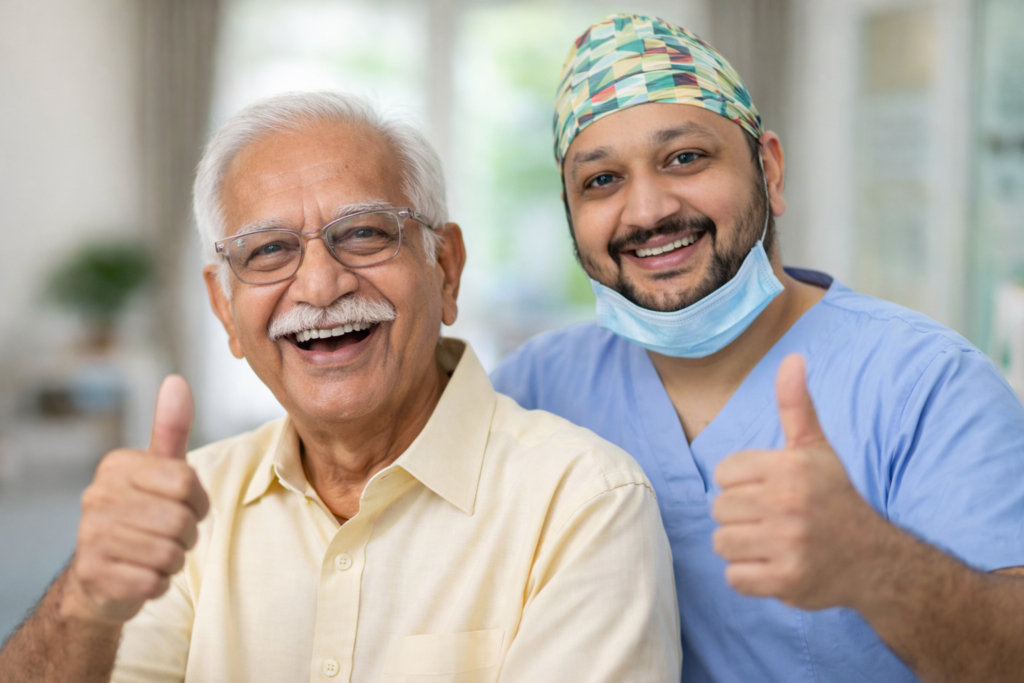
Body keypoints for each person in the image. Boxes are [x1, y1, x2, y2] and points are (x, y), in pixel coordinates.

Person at [0, 91, 681, 683]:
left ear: (445, 268)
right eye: (268, 250)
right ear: (224, 310)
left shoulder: (585, 503)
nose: (321, 285)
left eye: (362, 233)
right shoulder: (185, 509)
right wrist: (85, 597)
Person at [492, 14, 1024, 683]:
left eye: (685, 158)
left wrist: (874, 564)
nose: (648, 210)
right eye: (601, 180)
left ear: (768, 168)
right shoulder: (530, 393)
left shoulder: (926, 386)